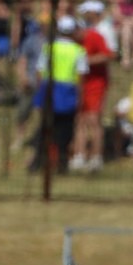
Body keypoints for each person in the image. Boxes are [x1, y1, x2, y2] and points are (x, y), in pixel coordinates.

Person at [28, 14, 87, 173]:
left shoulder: (49, 47)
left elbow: (39, 71)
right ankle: (62, 164)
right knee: (65, 131)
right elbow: (81, 77)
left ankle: (37, 162)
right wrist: (80, 98)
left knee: (45, 128)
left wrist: (40, 93)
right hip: (68, 92)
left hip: (49, 89)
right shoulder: (78, 50)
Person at [71, 0, 112, 173]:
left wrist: (87, 61)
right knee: (80, 120)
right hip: (79, 84)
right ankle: (79, 156)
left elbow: (107, 55)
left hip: (96, 83)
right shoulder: (72, 42)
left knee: (94, 120)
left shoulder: (95, 36)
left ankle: (96, 157)